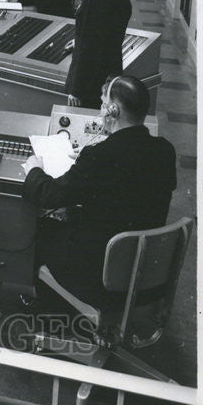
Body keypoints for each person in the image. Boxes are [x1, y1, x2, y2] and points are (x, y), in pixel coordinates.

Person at [22, 75, 176, 302]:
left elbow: (49, 194)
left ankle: (52, 310)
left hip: (99, 276)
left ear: (112, 111)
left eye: (103, 103)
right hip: (144, 271)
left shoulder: (98, 156)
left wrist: (35, 169)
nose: (101, 109)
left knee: (42, 229)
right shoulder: (165, 150)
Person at [65, 0, 131, 109]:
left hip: (90, 87)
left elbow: (89, 47)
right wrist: (78, 41)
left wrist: (76, 89)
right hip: (110, 78)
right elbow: (104, 35)